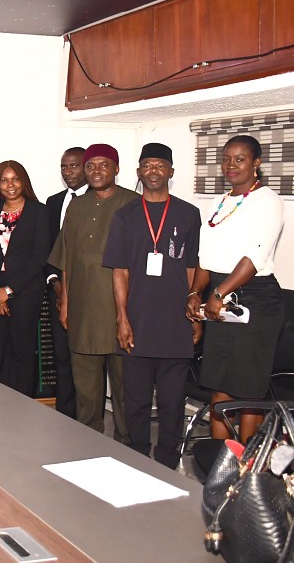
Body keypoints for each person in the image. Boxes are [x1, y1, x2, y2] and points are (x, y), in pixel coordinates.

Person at [103, 144, 202, 467]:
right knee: (136, 402)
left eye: (160, 165)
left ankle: (168, 462)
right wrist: (122, 318)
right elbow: (120, 270)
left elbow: (192, 267)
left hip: (175, 325)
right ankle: (137, 459)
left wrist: (193, 315)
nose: (154, 171)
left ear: (171, 172)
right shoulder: (125, 216)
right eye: (147, 165)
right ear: (139, 172)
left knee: (173, 403)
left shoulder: (188, 214)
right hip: (137, 323)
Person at [186, 135, 286, 442]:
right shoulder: (219, 202)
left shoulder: (268, 200)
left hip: (255, 299)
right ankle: (221, 459)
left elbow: (254, 256)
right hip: (221, 296)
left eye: (240, 159)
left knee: (248, 387)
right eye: (226, 159)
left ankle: (245, 464)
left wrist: (217, 294)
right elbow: (206, 256)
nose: (231, 165)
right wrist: (195, 292)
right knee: (219, 384)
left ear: (256, 163)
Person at [48, 143, 136, 443]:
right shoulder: (77, 205)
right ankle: (88, 442)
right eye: (90, 166)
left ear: (117, 169)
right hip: (82, 309)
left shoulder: (133, 204)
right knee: (86, 386)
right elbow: (66, 258)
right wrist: (65, 303)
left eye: (103, 165)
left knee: (125, 387)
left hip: (121, 311)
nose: (96, 171)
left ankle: (128, 443)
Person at [0, 160, 50, 396]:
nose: (10, 185)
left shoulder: (39, 212)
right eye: (4, 180)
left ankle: (24, 407)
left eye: (15, 179)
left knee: (22, 352)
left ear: (24, 181)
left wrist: (8, 291)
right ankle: (0, 403)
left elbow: (40, 257)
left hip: (25, 292)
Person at [44, 147, 87, 418]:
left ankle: (87, 417)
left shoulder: (98, 200)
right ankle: (64, 416)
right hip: (56, 289)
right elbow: (48, 249)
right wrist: (55, 283)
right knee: (61, 357)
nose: (69, 172)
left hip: (88, 293)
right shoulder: (53, 202)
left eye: (74, 166)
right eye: (64, 167)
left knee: (85, 360)